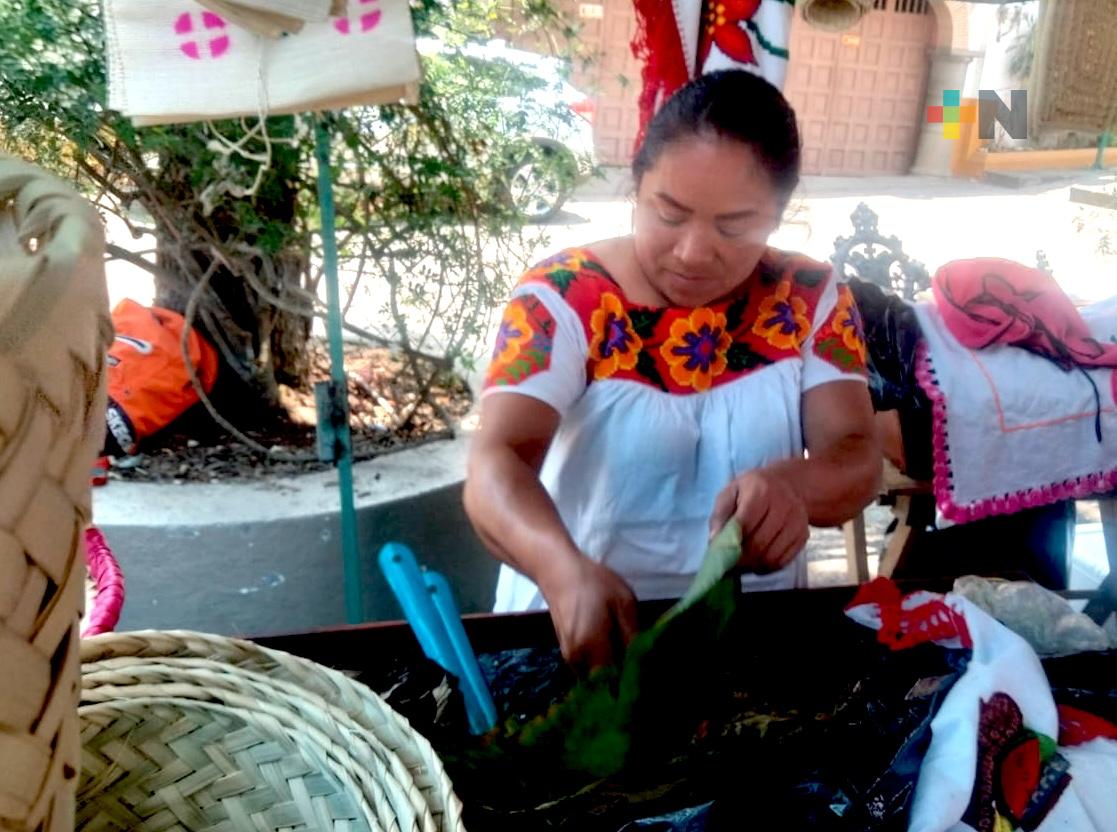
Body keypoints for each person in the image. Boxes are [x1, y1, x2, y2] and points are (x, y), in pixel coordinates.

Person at [463, 70, 881, 672]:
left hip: (746, 637)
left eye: (734, 227)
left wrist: (796, 487)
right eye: (669, 213)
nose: (692, 252)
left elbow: (856, 452)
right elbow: (496, 461)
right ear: (637, 186)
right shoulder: (565, 296)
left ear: (778, 216)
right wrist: (561, 570)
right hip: (584, 636)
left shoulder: (807, 297)